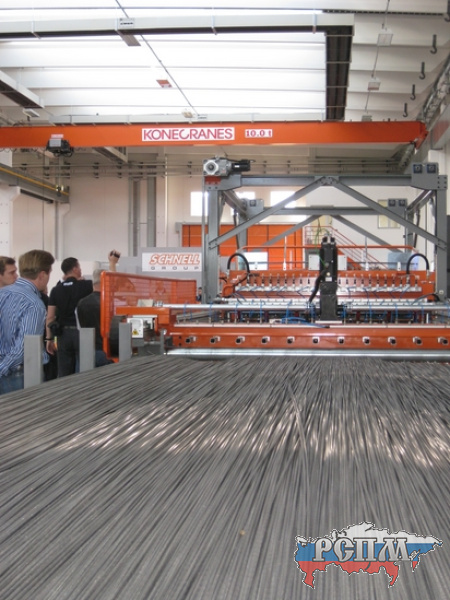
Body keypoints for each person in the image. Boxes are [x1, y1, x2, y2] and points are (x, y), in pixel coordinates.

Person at [46, 251, 119, 377]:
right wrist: (112, 263)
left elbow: (50, 317)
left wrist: (49, 339)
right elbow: (109, 284)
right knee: (83, 369)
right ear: (75, 269)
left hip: (63, 335)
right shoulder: (85, 286)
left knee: (63, 372)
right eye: (79, 267)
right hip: (82, 333)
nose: (80, 270)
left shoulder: (56, 290)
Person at [0, 249, 55, 395]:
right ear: (42, 275)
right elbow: (24, 347)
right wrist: (2, 368)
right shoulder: (34, 304)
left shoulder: (2, 293)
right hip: (19, 376)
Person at [76, 268, 114, 367]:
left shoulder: (81, 303)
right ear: (106, 282)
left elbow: (79, 327)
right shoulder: (110, 304)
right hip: (106, 350)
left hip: (87, 351)